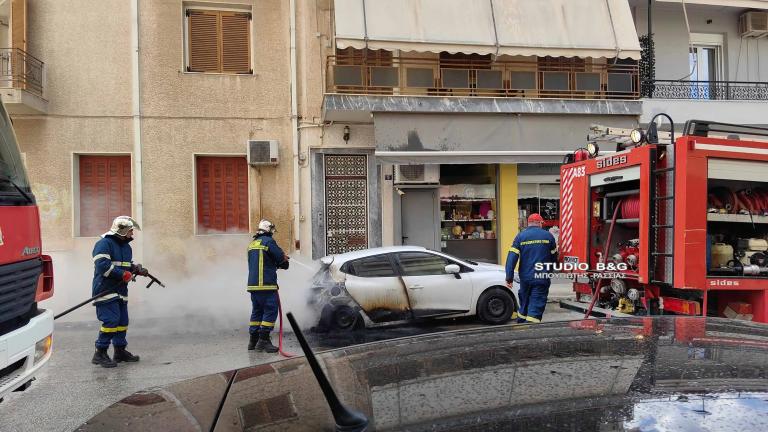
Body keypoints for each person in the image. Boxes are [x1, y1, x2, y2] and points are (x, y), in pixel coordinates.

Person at [91, 216, 148, 368]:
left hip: (121, 289)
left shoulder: (125, 247)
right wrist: (122, 274)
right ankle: (100, 353)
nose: (132, 234)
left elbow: (125, 265)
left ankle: (119, 351)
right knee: (111, 320)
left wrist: (135, 269)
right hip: (105, 289)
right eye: (130, 231)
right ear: (122, 231)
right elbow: (102, 265)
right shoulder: (104, 244)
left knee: (122, 322)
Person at [505, 213, 557, 324]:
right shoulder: (548, 236)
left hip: (525, 278)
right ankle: (530, 330)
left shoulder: (520, 236)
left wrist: (509, 277)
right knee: (536, 304)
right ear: (540, 223)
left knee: (524, 301)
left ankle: (521, 323)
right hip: (541, 277)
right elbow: (554, 258)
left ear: (528, 224)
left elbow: (511, 257)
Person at [247, 219, 289, 352]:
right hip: (266, 284)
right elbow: (281, 259)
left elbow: (263, 262)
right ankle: (264, 341)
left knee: (257, 311)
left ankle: (253, 341)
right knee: (270, 310)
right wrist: (285, 260)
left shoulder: (252, 244)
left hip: (253, 286)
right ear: (269, 230)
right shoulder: (269, 242)